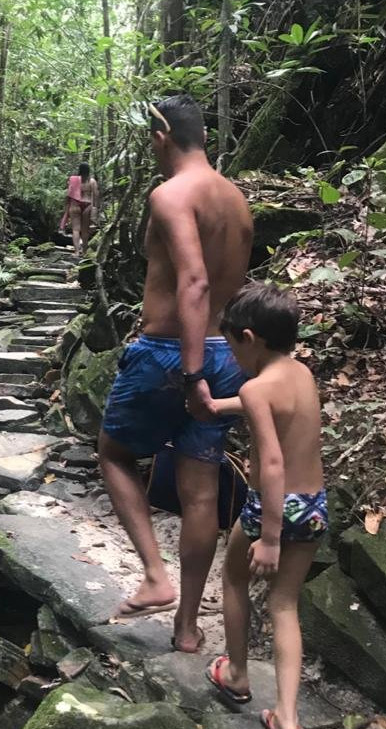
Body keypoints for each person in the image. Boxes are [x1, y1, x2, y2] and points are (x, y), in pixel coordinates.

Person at [98, 94, 253, 652]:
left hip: (171, 355)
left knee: (114, 454)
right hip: (226, 353)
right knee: (201, 491)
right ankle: (187, 627)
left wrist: (191, 377)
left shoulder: (169, 195)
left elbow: (194, 282)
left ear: (162, 137)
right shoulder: (236, 201)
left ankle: (155, 576)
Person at [206, 284, 327, 729]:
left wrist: (271, 536)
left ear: (248, 338)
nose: (233, 355)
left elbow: (272, 463)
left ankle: (237, 673)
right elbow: (267, 407)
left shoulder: (257, 387)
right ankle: (288, 717)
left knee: (234, 578)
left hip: (271, 508)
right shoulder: (301, 374)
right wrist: (219, 406)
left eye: (232, 344)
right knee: (284, 604)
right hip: (312, 506)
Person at [59, 162, 99, 257]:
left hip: (75, 205)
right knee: (85, 230)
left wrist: (66, 207)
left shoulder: (73, 180)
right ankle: (84, 252)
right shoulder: (92, 181)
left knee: (76, 229)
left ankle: (76, 252)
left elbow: (68, 194)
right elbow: (96, 196)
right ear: (88, 170)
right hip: (87, 204)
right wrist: (95, 208)